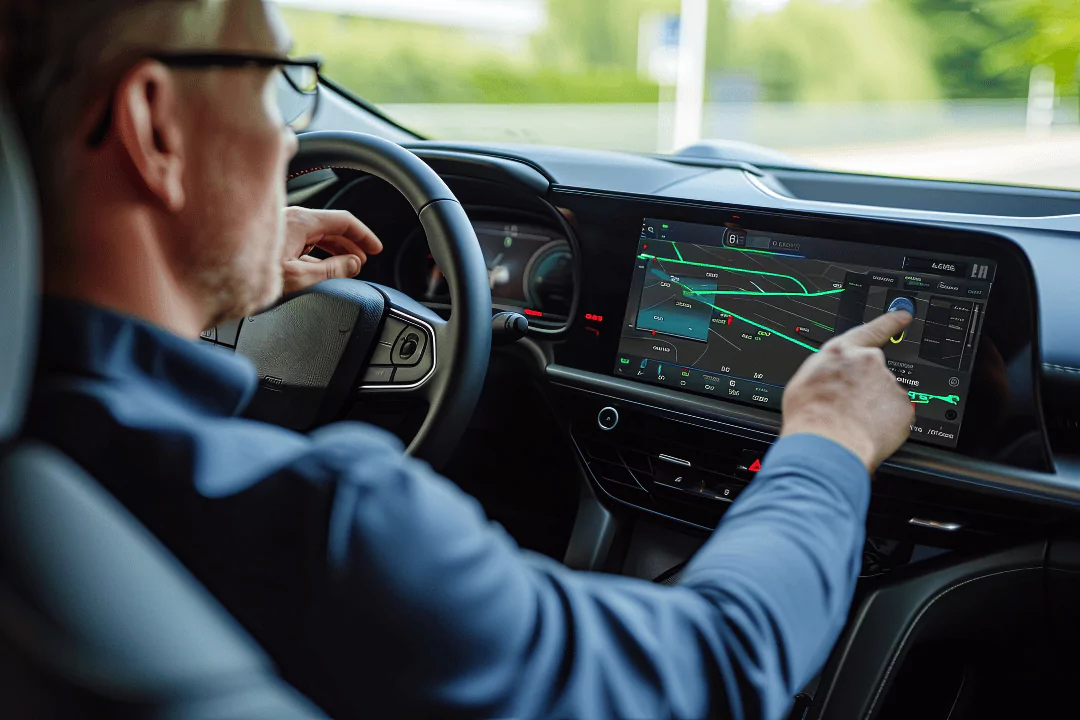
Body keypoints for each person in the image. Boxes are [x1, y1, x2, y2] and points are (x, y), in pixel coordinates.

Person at [4, 1, 915, 718]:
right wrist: (826, 444)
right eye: (276, 80)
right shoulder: (329, 520)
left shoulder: (51, 437)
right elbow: (713, 665)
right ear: (156, 127)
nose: (288, 136)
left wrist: (206, 265)